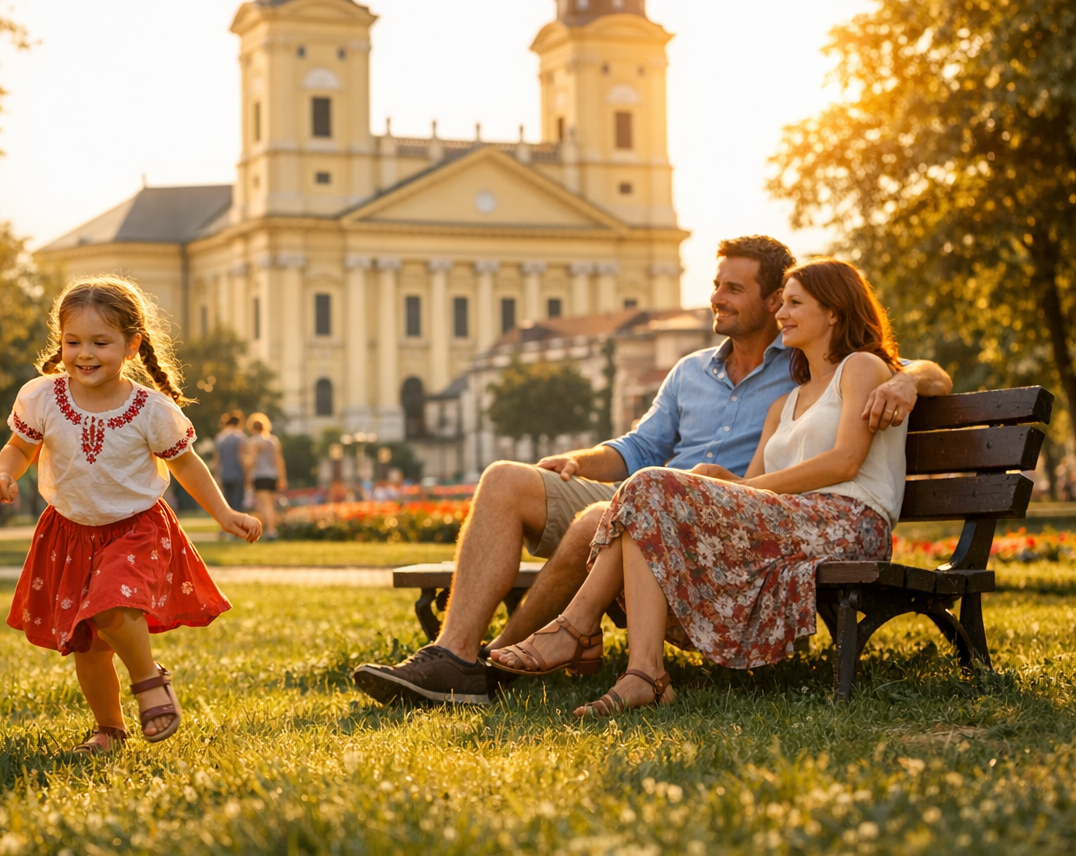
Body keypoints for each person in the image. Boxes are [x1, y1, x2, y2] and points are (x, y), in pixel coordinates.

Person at [352, 236, 952, 706]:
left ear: (792, 304)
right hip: (679, 497)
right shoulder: (719, 377)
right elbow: (645, 445)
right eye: (715, 285)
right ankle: (463, 655)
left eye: (736, 289)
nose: (716, 297)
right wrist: (586, 461)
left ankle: (521, 652)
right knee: (532, 481)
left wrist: (906, 378)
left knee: (618, 509)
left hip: (733, 512)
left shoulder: (836, 367)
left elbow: (905, 382)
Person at [489, 259, 908, 714]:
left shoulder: (861, 367)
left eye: (794, 303)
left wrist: (747, 491)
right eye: (781, 303)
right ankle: (643, 673)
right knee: (649, 494)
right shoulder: (784, 404)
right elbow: (748, 486)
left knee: (650, 486)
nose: (781, 314)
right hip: (790, 525)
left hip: (848, 524)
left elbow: (846, 460)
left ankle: (575, 630)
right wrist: (724, 485)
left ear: (833, 312)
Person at [0, 275, 261, 757]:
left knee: (113, 604)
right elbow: (18, 448)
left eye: (100, 342)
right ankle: (109, 730)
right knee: (89, 646)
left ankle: (148, 679)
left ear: (132, 345)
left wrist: (223, 512)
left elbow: (187, 465)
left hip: (137, 529)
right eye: (73, 342)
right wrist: (4, 475)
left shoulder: (150, 410)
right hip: (69, 534)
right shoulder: (43, 398)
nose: (84, 354)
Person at [244, 412, 287, 540]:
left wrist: (245, 464)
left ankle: (270, 531)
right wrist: (282, 477)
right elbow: (279, 460)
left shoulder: (253, 442)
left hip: (260, 476)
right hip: (272, 476)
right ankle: (270, 530)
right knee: (271, 505)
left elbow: (252, 461)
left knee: (264, 505)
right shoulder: (273, 440)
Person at [214, 411, 248, 513]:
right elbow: (241, 457)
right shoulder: (240, 437)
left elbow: (217, 459)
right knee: (237, 503)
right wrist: (247, 473)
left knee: (227, 503)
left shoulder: (220, 437)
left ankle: (227, 526)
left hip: (224, 474)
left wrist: (216, 475)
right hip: (237, 474)